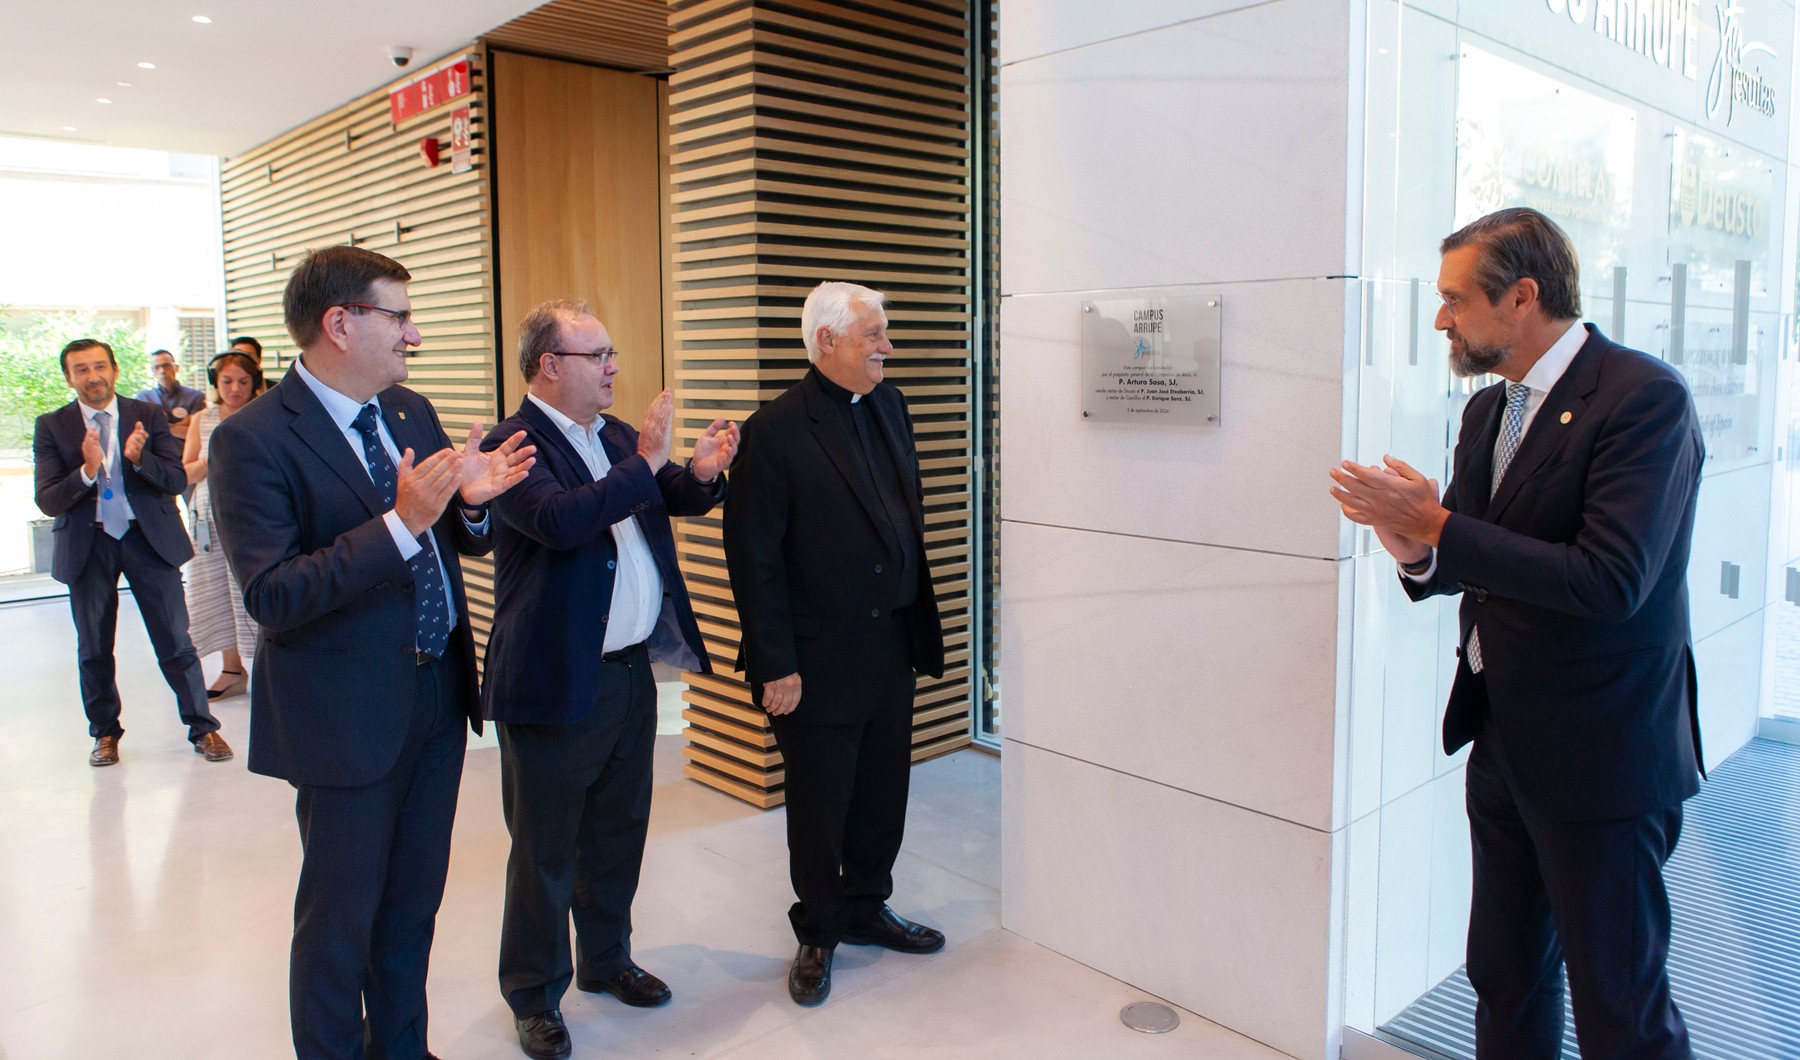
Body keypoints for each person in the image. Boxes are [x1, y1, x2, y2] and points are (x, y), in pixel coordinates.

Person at [1329, 207, 1703, 1059]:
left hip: (1605, 757)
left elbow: (1611, 581)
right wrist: (1417, 548)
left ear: (1523, 296)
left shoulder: (1645, 400)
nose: (1441, 320)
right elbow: (1474, 563)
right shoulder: (1487, 414)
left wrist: (1441, 526)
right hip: (1502, 739)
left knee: (1621, 1009)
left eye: (1456, 299)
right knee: (1504, 976)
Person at [208, 245, 535, 1060]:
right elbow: (273, 595)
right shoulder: (251, 439)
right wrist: (399, 525)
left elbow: (451, 534)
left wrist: (476, 509)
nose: (414, 336)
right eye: (400, 316)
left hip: (434, 696)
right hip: (342, 714)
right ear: (340, 323)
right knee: (338, 919)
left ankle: (402, 1048)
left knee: (412, 906)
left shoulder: (408, 412)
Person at [480, 299, 738, 1060]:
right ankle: (534, 996)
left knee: (618, 832)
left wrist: (697, 473)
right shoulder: (513, 444)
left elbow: (661, 494)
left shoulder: (615, 437)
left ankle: (606, 959)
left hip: (627, 677)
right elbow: (563, 521)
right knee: (544, 850)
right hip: (554, 682)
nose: (614, 369)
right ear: (549, 366)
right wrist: (645, 464)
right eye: (599, 357)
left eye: (613, 354)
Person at [722, 281, 946, 1007]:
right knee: (822, 803)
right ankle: (819, 930)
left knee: (884, 790)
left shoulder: (891, 403)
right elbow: (753, 558)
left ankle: (867, 903)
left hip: (889, 647)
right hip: (814, 661)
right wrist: (774, 661)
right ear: (827, 342)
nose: (888, 346)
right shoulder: (776, 430)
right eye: (874, 335)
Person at [33, 339, 232, 766]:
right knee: (94, 647)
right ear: (70, 377)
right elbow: (47, 499)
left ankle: (203, 728)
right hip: (89, 544)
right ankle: (105, 734)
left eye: (100, 366)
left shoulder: (145, 415)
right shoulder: (52, 426)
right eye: (82, 369)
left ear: (115, 370)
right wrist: (87, 471)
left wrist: (140, 459)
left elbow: (175, 480)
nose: (93, 376)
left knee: (177, 643)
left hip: (148, 540)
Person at [181, 351, 263, 700]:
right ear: (216, 383)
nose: (235, 388)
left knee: (255, 588)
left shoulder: (264, 413)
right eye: (227, 381)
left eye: (243, 381)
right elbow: (186, 472)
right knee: (214, 590)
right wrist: (210, 455)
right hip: (208, 518)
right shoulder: (203, 418)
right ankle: (232, 668)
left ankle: (267, 668)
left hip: (254, 513)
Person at [133, 349, 207, 442]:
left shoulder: (196, 397)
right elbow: (141, 433)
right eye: (157, 367)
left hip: (186, 454)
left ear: (176, 368)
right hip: (156, 454)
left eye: (166, 366)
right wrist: (180, 426)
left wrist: (157, 426)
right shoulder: (143, 399)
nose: (162, 371)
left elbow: (200, 434)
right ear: (152, 372)